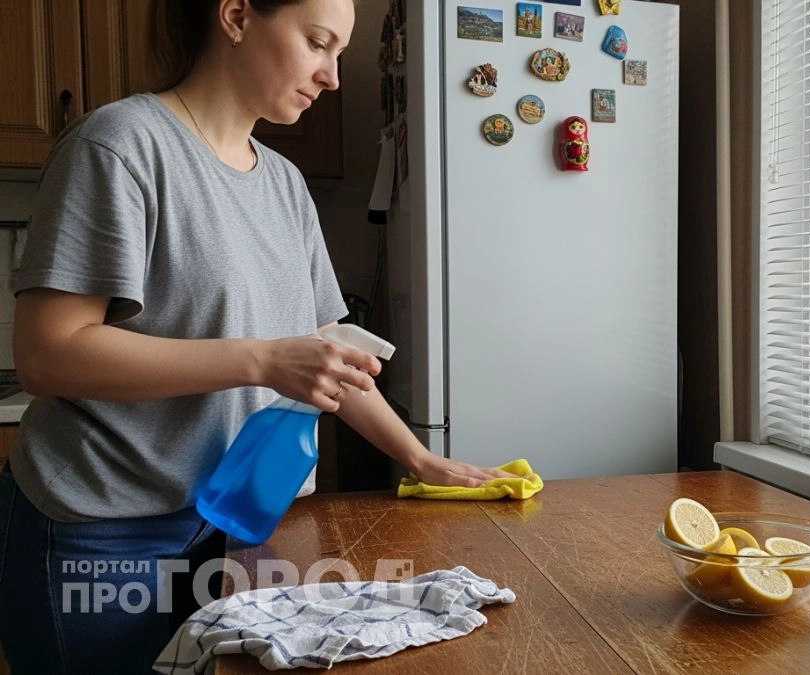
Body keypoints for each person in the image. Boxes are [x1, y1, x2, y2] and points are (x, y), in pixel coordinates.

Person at [0, 1, 509, 672]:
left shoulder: (285, 183)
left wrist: (420, 459)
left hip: (234, 526)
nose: (331, 77)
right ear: (237, 16)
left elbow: (328, 346)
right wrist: (266, 359)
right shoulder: (120, 144)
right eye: (318, 44)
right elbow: (47, 353)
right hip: (103, 532)